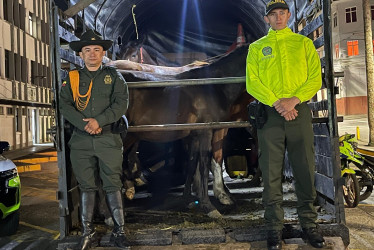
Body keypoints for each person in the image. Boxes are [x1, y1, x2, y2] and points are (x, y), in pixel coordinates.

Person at [246, 1, 325, 249]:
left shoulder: (303, 44)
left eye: (282, 13)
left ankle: (310, 225)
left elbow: (315, 78)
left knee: (304, 169)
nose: (278, 18)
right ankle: (273, 228)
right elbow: (252, 82)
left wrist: (293, 101)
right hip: (269, 116)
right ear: (266, 19)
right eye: (273, 15)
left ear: (289, 16)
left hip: (298, 112)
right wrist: (277, 103)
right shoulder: (257, 48)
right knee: (270, 173)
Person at [59, 29, 129, 249]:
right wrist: (84, 125)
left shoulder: (114, 76)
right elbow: (64, 105)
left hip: (108, 139)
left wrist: (98, 121)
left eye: (96, 50)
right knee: (87, 186)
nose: (91, 54)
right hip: (81, 141)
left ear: (103, 53)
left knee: (112, 185)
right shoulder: (71, 78)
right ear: (80, 54)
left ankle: (120, 232)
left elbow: (121, 104)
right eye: (87, 50)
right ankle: (87, 234)